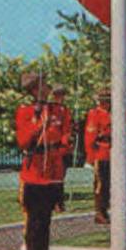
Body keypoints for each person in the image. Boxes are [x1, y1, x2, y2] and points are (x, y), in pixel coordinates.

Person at [15, 72, 68, 250]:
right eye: (43, 84)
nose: (48, 87)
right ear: (35, 89)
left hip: (52, 171)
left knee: (46, 220)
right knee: (34, 221)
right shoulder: (25, 111)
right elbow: (23, 140)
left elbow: (63, 133)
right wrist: (38, 122)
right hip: (34, 173)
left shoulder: (57, 110)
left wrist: (63, 146)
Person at [84, 88, 112, 224]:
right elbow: (90, 136)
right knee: (100, 183)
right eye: (104, 101)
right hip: (100, 152)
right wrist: (91, 157)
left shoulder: (111, 114)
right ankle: (99, 212)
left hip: (110, 151)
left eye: (108, 101)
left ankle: (105, 209)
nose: (106, 103)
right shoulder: (94, 114)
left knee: (108, 184)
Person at [49, 84, 72, 212]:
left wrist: (66, 142)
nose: (60, 98)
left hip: (61, 149)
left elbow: (67, 129)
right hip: (50, 148)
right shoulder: (49, 109)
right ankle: (51, 202)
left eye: (62, 95)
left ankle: (58, 202)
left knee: (59, 177)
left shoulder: (64, 110)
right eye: (58, 95)